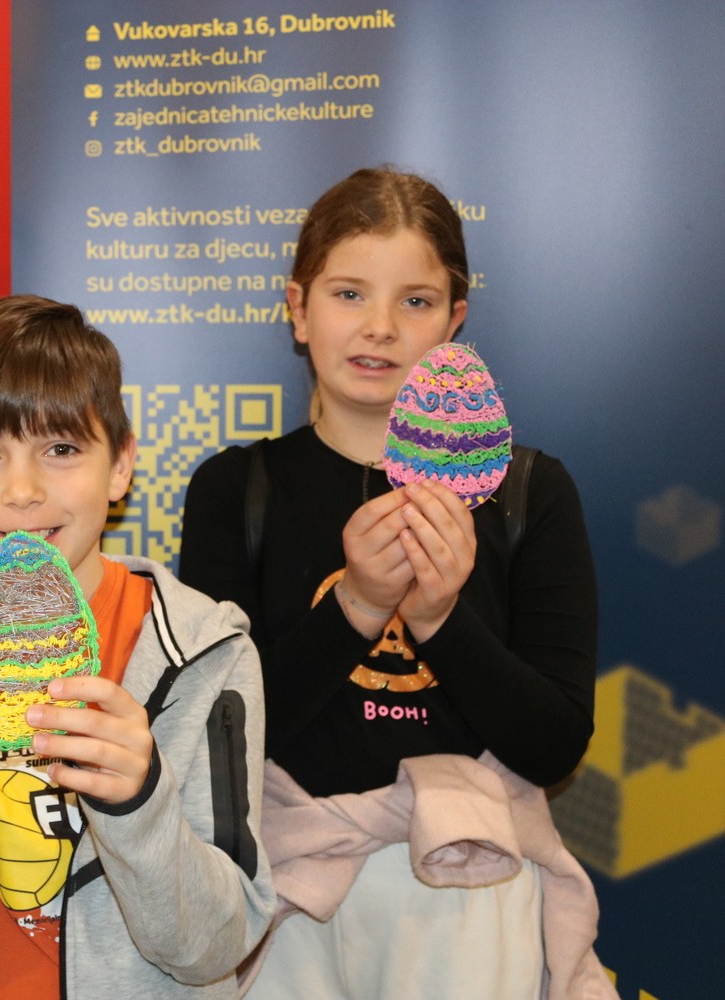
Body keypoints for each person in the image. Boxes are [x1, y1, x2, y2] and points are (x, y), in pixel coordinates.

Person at [179, 168, 611, 997]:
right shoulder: (237, 490)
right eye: (349, 294)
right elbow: (218, 736)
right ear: (298, 309)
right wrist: (356, 607)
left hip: (471, 887)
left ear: (455, 323)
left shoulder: (529, 492)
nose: (379, 327)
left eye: (416, 301)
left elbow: (554, 744)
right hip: (286, 893)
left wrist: (441, 620)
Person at [0, 295, 274, 999]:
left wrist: (140, 801)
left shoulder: (205, 653)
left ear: (121, 464)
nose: (22, 491)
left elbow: (214, 948)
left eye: (62, 449)